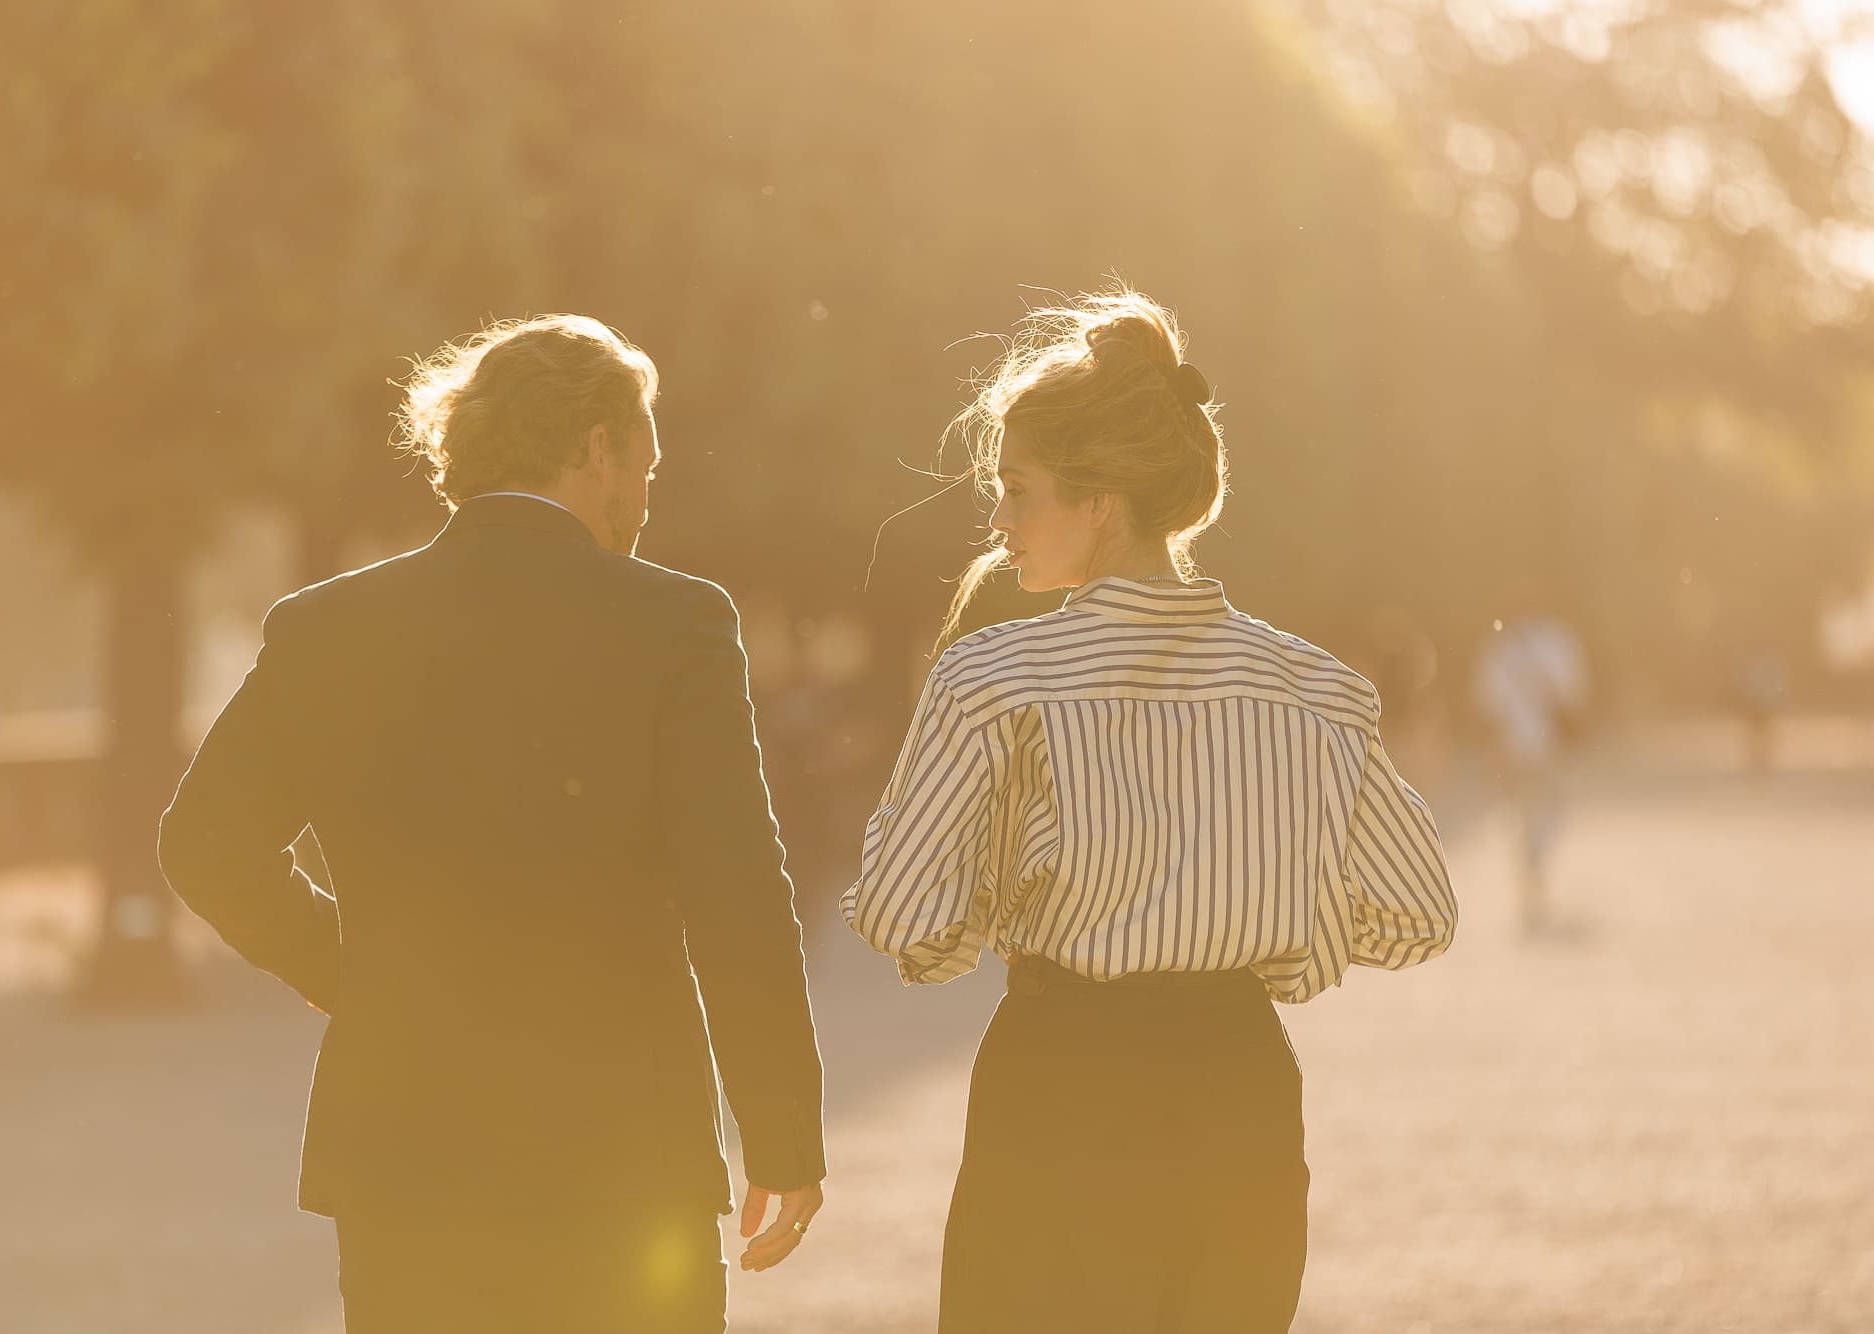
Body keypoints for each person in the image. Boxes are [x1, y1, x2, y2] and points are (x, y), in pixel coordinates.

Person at [158, 315, 826, 1333]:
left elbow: (203, 842)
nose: (646, 495)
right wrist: (780, 1135)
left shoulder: (327, 627)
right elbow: (738, 895)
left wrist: (353, 971)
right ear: (595, 448)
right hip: (620, 1149)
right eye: (642, 463)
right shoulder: (676, 623)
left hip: (405, 1144)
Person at [842, 288, 1458, 1333]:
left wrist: (991, 915)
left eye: (1014, 488)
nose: (995, 519)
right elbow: (1416, 912)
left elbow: (904, 912)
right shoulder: (1313, 687)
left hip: (1058, 1082)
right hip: (1237, 1090)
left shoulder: (995, 678)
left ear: (1098, 503)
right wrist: (1263, 933)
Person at [1470, 602, 1591, 934]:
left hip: (1512, 747)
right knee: (1551, 813)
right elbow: (1574, 695)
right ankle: (1536, 867)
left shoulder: (1498, 647)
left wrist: (1492, 751)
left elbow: (1488, 705)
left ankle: (1529, 877)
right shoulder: (1556, 641)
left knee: (1522, 817)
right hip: (1549, 745)